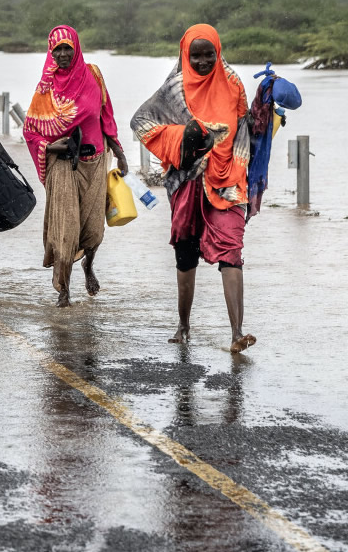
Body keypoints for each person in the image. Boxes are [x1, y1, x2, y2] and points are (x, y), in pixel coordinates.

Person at [131, 24, 256, 352]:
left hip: (228, 179)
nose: (202, 61)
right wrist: (182, 136)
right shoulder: (174, 88)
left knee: (231, 250)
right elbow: (142, 121)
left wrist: (265, 116)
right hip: (186, 180)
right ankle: (184, 326)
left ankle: (236, 333)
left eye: (208, 54)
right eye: (195, 55)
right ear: (185, 54)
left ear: (218, 51)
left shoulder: (232, 84)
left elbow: (245, 128)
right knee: (185, 253)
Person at [23, 25, 129, 308]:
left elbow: (106, 115)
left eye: (67, 47)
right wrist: (51, 146)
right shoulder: (46, 88)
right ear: (50, 52)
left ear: (76, 48)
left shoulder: (93, 75)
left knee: (93, 230)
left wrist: (119, 152)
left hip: (94, 162)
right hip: (62, 164)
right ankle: (64, 290)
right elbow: (31, 131)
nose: (62, 54)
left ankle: (89, 265)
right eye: (56, 49)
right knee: (66, 228)